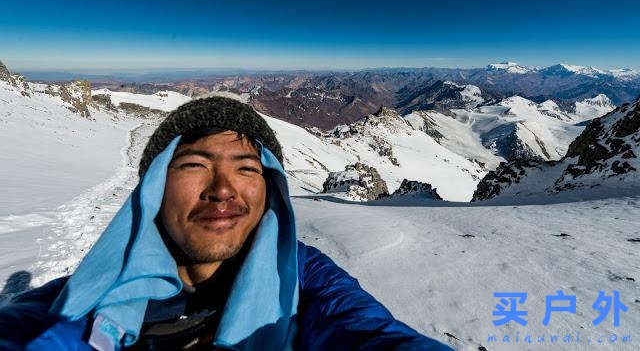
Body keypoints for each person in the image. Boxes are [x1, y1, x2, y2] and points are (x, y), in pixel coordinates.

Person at [0, 97, 452, 351]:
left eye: (247, 169)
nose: (222, 189)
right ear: (153, 186)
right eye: (195, 164)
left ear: (270, 192)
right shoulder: (75, 302)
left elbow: (366, 333)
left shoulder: (302, 279)